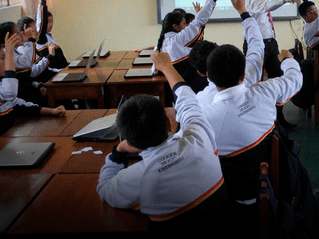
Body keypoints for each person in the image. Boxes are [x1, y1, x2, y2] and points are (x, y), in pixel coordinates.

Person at [202, 0, 302, 233]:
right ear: (244, 74)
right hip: (268, 187)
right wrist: (287, 59)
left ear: (208, 77)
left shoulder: (205, 118)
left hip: (227, 200)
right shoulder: (265, 91)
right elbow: (290, 74)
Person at [96, 50, 227, 233]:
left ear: (132, 144)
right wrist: (166, 66)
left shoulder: (137, 178)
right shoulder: (200, 137)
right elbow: (187, 101)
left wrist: (119, 151)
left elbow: (104, 189)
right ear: (168, 122)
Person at [0, 35, 65, 153]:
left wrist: (51, 111)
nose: (9, 62)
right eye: (3, 58)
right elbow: (9, 93)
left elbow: (16, 103)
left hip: (5, 144)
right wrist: (8, 54)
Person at [245, 0, 300, 129]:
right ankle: (257, 122)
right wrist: (284, 0)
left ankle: (279, 120)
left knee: (278, 78)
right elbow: (265, 7)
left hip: (270, 43)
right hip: (256, 45)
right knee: (254, 82)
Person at [191, 2, 264, 108]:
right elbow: (256, 44)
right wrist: (242, 11)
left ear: (205, 75)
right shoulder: (249, 75)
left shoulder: (201, 101)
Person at [154, 0, 223, 85]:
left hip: (171, 84)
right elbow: (199, 21)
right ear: (175, 26)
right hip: (188, 83)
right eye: (184, 23)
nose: (186, 26)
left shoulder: (162, 42)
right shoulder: (178, 39)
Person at [0, 21, 56, 105]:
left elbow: (27, 73)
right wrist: (30, 41)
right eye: (17, 33)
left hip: (28, 89)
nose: (21, 34)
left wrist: (37, 85)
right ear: (9, 37)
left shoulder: (16, 50)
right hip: (20, 96)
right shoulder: (6, 55)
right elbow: (26, 64)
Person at [36, 0, 69, 69]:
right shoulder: (40, 38)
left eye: (52, 21)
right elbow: (41, 21)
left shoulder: (48, 36)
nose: (50, 24)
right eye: (47, 22)